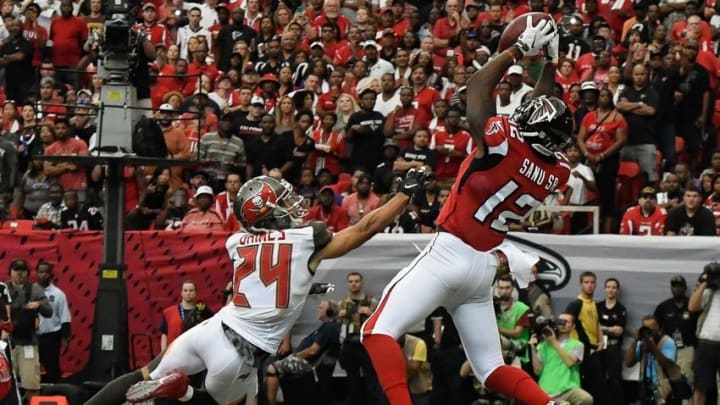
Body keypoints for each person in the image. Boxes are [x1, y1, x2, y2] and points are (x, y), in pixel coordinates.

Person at [361, 16, 575, 405]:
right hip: (483, 268)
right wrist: (551, 65)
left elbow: (478, 87)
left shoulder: (501, 140)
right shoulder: (557, 170)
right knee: (491, 368)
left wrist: (514, 52)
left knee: (375, 332)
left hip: (450, 252)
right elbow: (546, 109)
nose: (523, 110)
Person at [122, 170, 429, 404]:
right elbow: (365, 228)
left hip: (213, 328)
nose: (294, 207)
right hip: (241, 351)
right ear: (267, 212)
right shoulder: (306, 239)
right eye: (284, 202)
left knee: (139, 375)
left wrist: (305, 287)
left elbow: (263, 282)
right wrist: (402, 196)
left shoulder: (237, 241)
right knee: (219, 402)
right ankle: (183, 392)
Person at [529, 313, 593, 405]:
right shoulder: (544, 345)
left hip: (568, 389)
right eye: (560, 321)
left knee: (586, 399)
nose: (563, 324)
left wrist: (553, 341)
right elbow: (538, 371)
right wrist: (532, 348)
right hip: (547, 390)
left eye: (567, 322)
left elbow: (570, 362)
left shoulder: (578, 345)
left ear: (573, 326)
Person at [36, 260, 71, 384]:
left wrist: (66, 338)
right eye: (41, 272)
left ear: (51, 274)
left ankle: (54, 393)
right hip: (31, 337)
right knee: (30, 368)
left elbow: (65, 317)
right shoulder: (29, 292)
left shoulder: (58, 294)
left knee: (52, 368)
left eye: (46, 272)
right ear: (36, 273)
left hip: (51, 337)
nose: (43, 275)